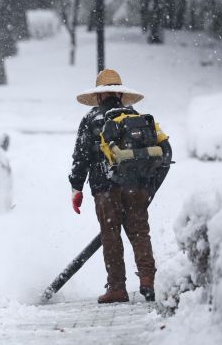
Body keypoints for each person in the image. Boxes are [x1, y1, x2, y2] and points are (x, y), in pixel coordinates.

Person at [68, 69, 172, 304]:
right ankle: (147, 280)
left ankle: (117, 287)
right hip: (137, 186)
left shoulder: (92, 119)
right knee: (139, 233)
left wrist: (77, 189)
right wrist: (148, 185)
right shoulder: (135, 117)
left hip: (105, 188)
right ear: (120, 93)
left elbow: (80, 157)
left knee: (111, 235)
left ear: (98, 96)